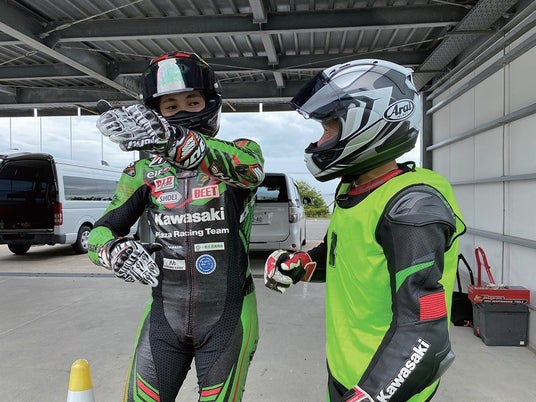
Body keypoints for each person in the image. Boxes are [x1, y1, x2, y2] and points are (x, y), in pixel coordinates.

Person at [264, 59, 465, 402]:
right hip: (345, 368)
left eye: (329, 128)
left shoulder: (413, 206)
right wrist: (301, 263)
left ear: (367, 124)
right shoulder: (353, 187)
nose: (319, 141)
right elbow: (343, 253)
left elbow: (424, 330)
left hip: (385, 383)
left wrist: (374, 394)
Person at [88, 51, 264, 402]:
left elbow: (252, 172)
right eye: (170, 106)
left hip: (227, 318)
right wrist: (113, 251)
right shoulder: (142, 172)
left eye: (192, 101)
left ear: (211, 103)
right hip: (163, 317)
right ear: (155, 113)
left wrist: (173, 139)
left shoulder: (242, 151)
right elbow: (100, 231)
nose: (183, 111)